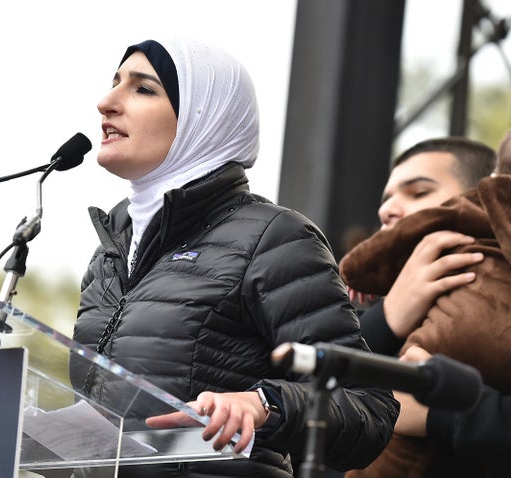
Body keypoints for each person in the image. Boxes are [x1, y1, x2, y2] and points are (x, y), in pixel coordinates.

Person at [69, 37, 398, 478]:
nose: (106, 102)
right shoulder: (111, 250)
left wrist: (264, 404)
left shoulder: (273, 238)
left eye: (142, 89)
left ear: (204, 118)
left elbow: (368, 407)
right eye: (114, 83)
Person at [340, 133, 511, 478]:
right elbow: (299, 404)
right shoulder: (360, 319)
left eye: (419, 192)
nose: (386, 209)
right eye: (386, 199)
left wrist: (446, 414)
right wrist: (387, 320)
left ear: (483, 200)